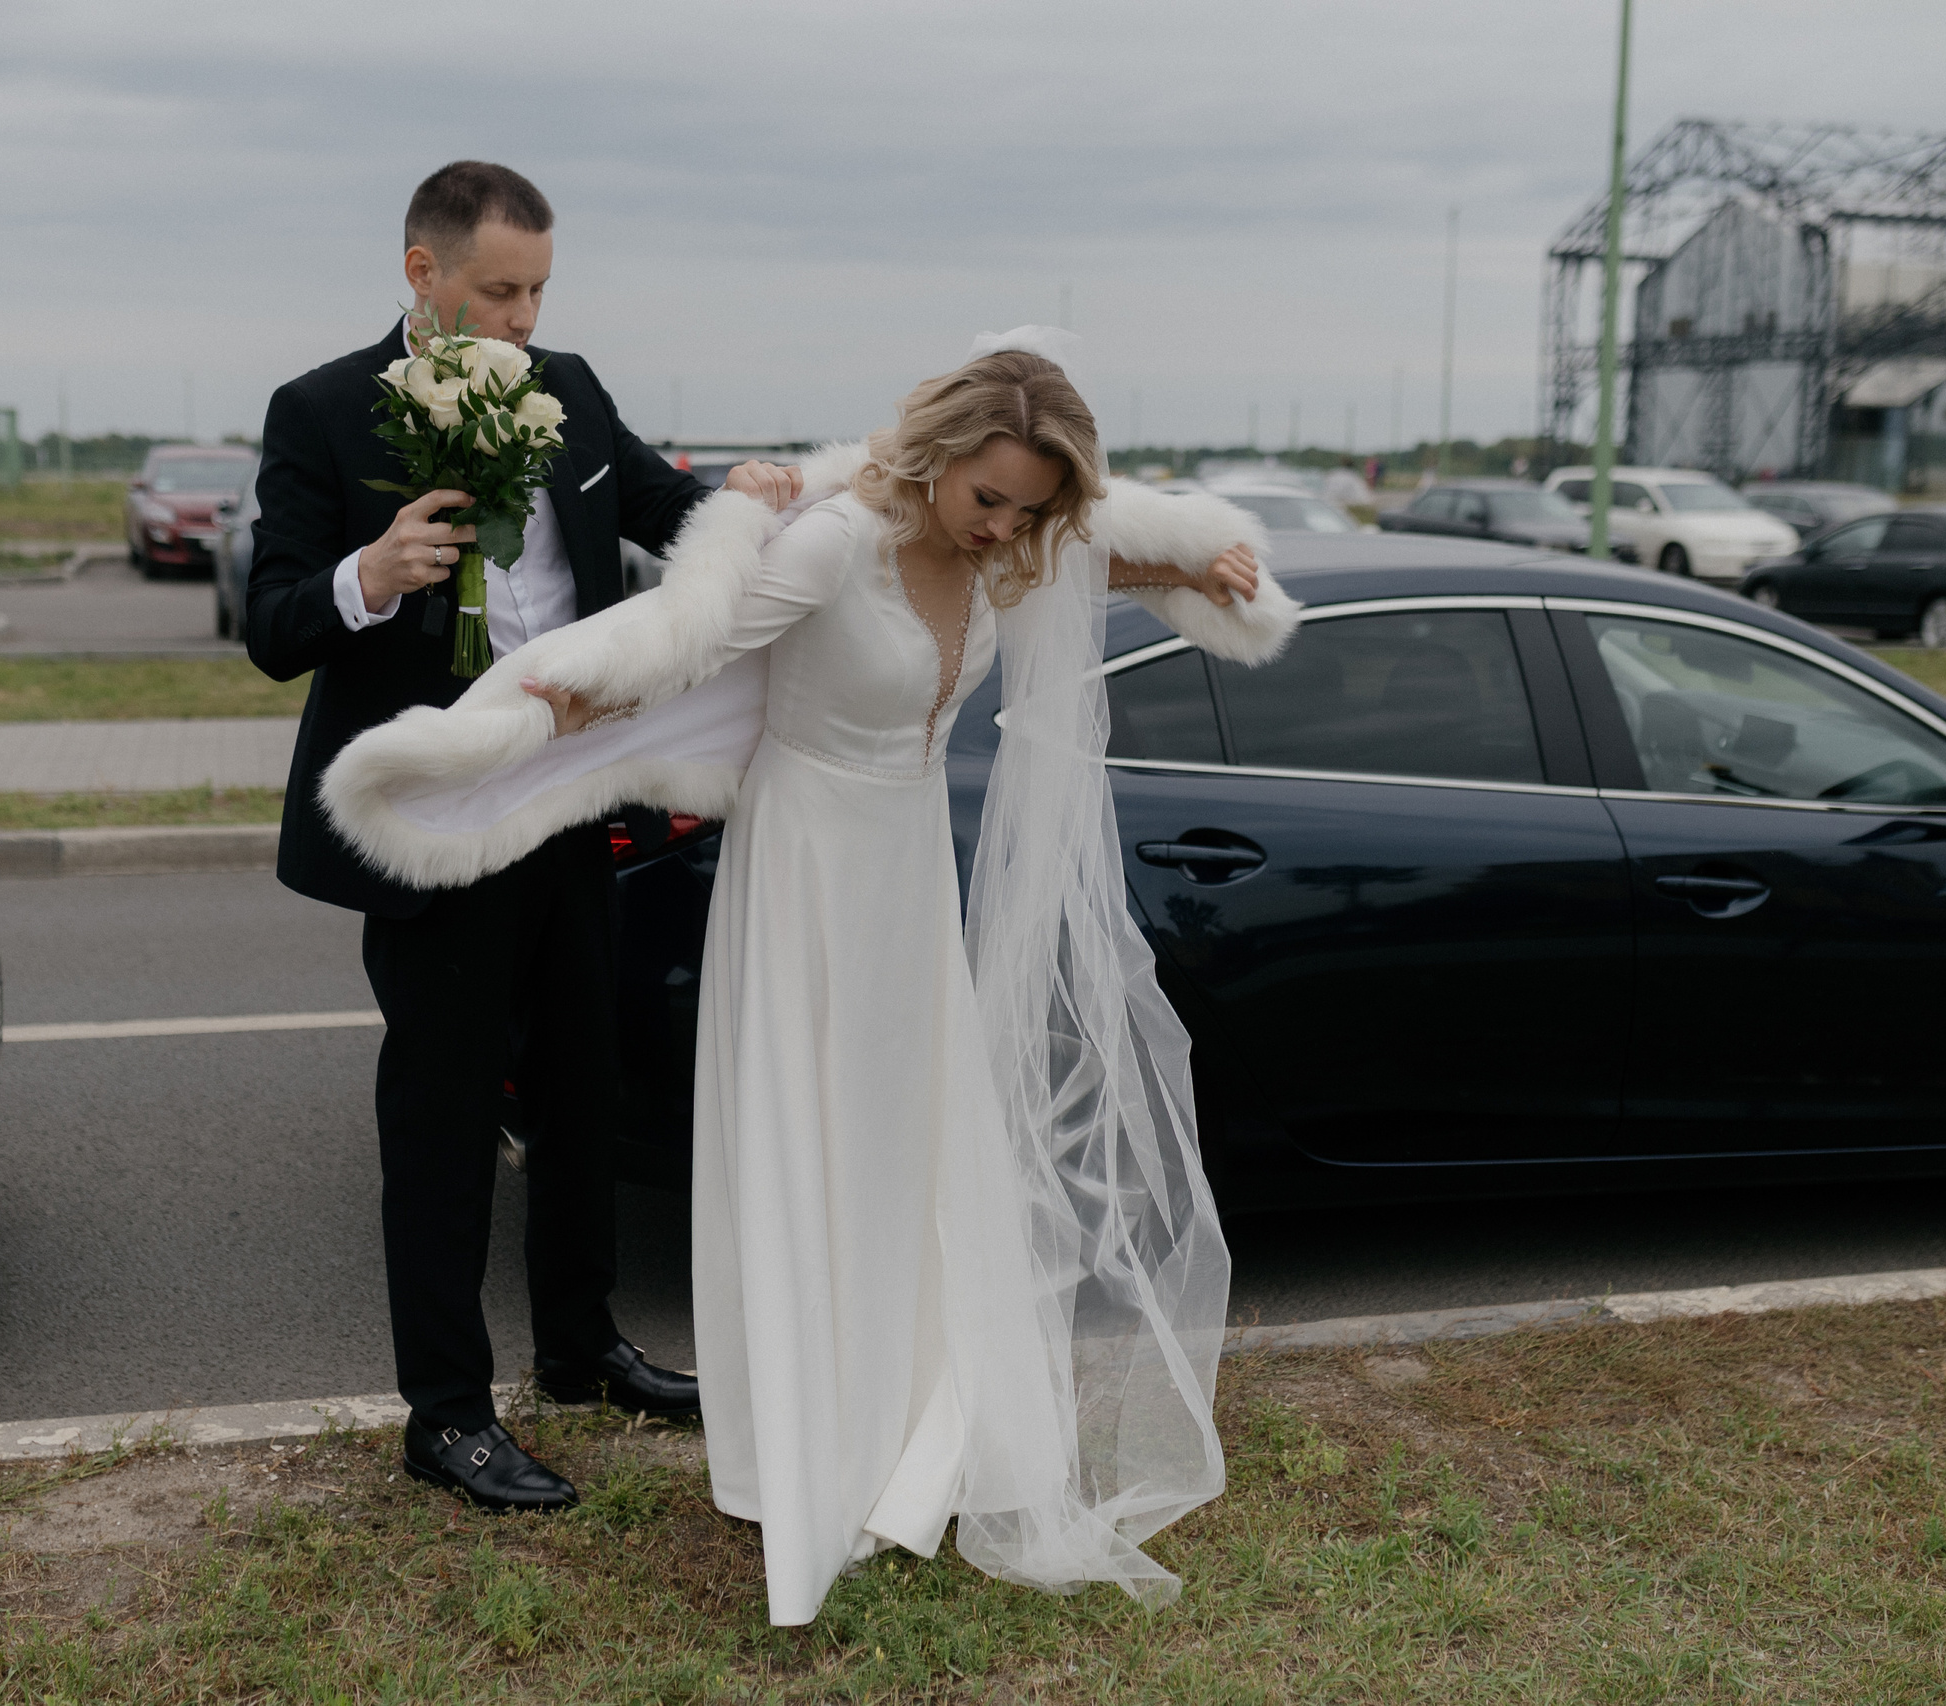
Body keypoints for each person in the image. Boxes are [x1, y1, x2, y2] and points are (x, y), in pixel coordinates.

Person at [319, 331, 1300, 1623]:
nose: (1002, 524)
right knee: (809, 1147)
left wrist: (1200, 558)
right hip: (802, 873)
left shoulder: (1013, 549)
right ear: (938, 456)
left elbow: (1089, 554)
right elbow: (686, 643)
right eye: (985, 494)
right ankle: (807, 1443)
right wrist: (518, 723)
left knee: (909, 1151)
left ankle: (909, 1420)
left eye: (1027, 506)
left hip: (902, 877)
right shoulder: (835, 544)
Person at [242, 160, 800, 1514]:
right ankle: (446, 1415)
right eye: (499, 289)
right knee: (439, 1121)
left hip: (575, 800)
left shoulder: (577, 390)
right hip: (439, 824)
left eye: (539, 289)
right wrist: (362, 579)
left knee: (580, 1088)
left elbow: (668, 515)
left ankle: (582, 1348)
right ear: (422, 273)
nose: (521, 316)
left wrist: (752, 493)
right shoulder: (322, 410)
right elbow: (270, 624)